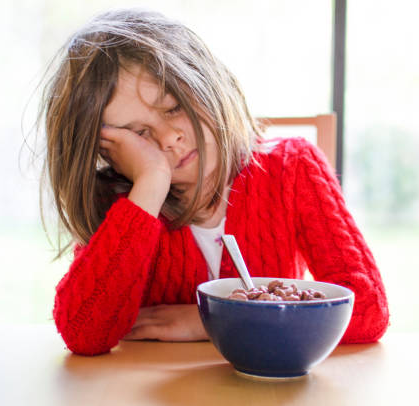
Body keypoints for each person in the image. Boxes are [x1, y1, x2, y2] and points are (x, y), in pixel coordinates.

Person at [40, 8, 389, 356]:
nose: (169, 139)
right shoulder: (124, 205)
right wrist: (150, 183)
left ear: (206, 83)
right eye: (140, 134)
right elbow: (83, 332)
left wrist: (210, 319)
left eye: (173, 107)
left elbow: (368, 311)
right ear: (109, 153)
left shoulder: (293, 168)